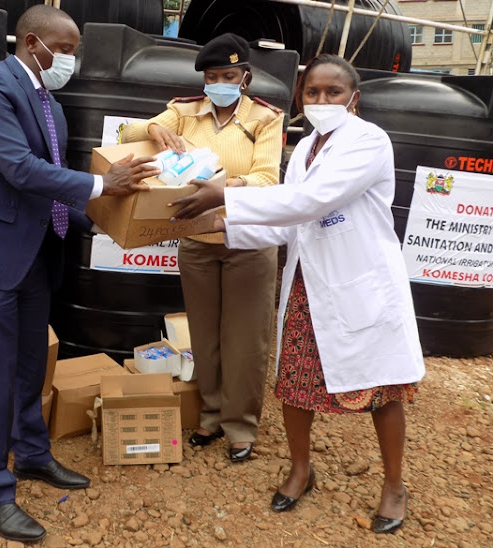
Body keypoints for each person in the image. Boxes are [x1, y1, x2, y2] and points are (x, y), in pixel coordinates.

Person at [170, 54, 425, 534]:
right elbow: (289, 220)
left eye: (333, 92)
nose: (322, 100)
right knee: (294, 382)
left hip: (357, 281)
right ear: (299, 98)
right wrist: (218, 227)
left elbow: (314, 200)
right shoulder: (306, 146)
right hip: (308, 283)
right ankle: (300, 468)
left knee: (382, 387)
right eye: (312, 93)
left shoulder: (368, 141)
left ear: (355, 98)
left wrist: (224, 196)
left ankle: (394, 484)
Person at [0, 5, 159, 543]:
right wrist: (106, 187)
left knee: (31, 365)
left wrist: (110, 223)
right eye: (67, 48)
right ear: (33, 42)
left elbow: (46, 188)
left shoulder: (51, 106)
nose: (71, 60)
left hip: (35, 252)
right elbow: (16, 167)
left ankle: (31, 453)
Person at [122, 33, 284, 462]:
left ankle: (241, 425)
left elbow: (268, 180)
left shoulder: (265, 119)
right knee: (205, 334)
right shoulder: (184, 111)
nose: (219, 83)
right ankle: (211, 415)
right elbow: (127, 130)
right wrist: (156, 127)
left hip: (247, 241)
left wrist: (221, 189)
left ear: (245, 77)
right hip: (196, 241)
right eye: (212, 76)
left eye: (229, 75)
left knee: (245, 338)